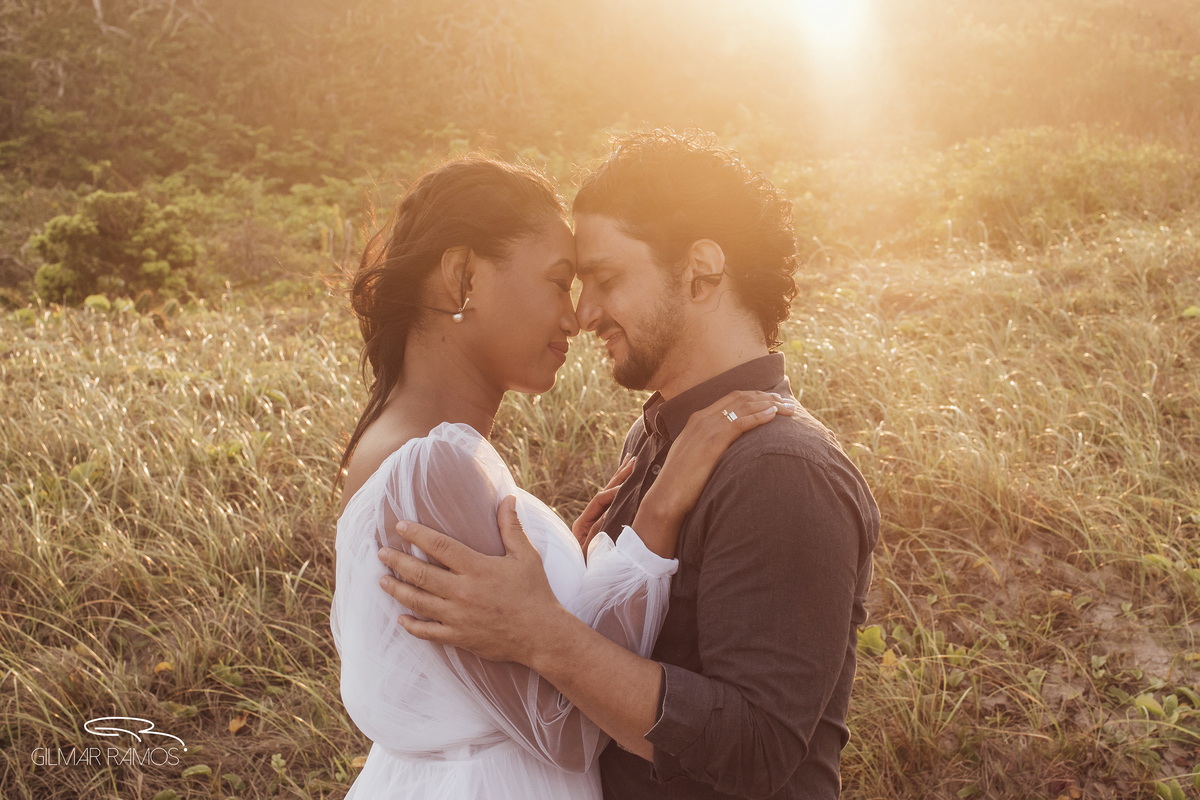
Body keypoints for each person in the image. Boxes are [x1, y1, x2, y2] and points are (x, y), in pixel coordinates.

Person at [378, 130, 881, 799]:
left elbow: (757, 750)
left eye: (607, 280)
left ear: (701, 268)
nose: (583, 314)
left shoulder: (782, 471)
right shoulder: (654, 441)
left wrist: (545, 634)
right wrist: (573, 592)